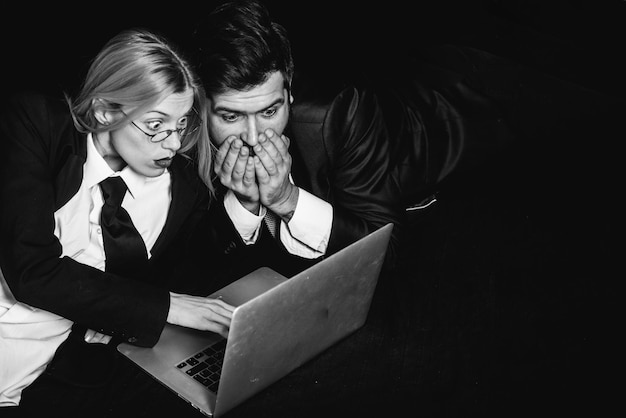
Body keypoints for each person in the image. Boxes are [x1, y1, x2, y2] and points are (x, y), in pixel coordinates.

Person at [0, 28, 240, 416]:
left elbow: (194, 260)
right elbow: (31, 269)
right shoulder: (37, 124)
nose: (174, 143)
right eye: (156, 124)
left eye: (181, 125)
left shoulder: (178, 184)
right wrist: (164, 306)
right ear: (105, 111)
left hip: (75, 371)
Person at [189, 0, 516, 277]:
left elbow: (385, 251)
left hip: (465, 111)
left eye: (269, 112)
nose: (253, 137)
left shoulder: (338, 114)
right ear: (201, 108)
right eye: (231, 117)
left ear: (289, 92)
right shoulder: (179, 131)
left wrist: (287, 199)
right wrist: (245, 204)